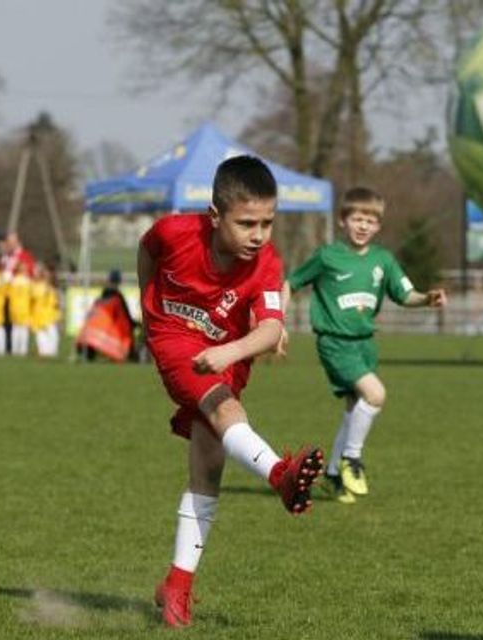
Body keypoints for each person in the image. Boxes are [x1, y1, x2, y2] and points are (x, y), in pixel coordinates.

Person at [138, 155, 323, 628]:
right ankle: (280, 474)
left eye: (267, 222)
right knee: (225, 410)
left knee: (208, 468)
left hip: (226, 355)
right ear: (215, 216)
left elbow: (271, 329)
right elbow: (147, 248)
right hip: (176, 341)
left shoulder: (267, 262)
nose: (259, 235)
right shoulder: (175, 232)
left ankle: (177, 586)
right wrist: (147, 307)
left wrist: (233, 350)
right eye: (246, 224)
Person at [282, 186, 447, 504]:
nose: (363, 226)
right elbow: (290, 282)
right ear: (343, 220)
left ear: (378, 225)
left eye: (370, 221)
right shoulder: (328, 256)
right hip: (335, 342)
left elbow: (405, 294)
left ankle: (333, 475)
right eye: (357, 219)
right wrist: (277, 321)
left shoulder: (382, 260)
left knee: (354, 408)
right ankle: (351, 459)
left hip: (365, 344)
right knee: (375, 394)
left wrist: (427, 298)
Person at [30, 262, 62, 358]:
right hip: (40, 314)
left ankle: (51, 352)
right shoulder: (35, 286)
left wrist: (58, 313)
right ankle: (44, 352)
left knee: (51, 333)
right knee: (42, 334)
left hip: (48, 314)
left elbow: (55, 302)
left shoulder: (50, 286)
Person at [5, 260, 33, 356]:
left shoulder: (12, 281)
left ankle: (15, 350)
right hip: (24, 308)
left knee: (15, 329)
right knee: (23, 330)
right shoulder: (28, 281)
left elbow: (8, 295)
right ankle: (22, 350)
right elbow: (32, 295)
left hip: (14, 308)